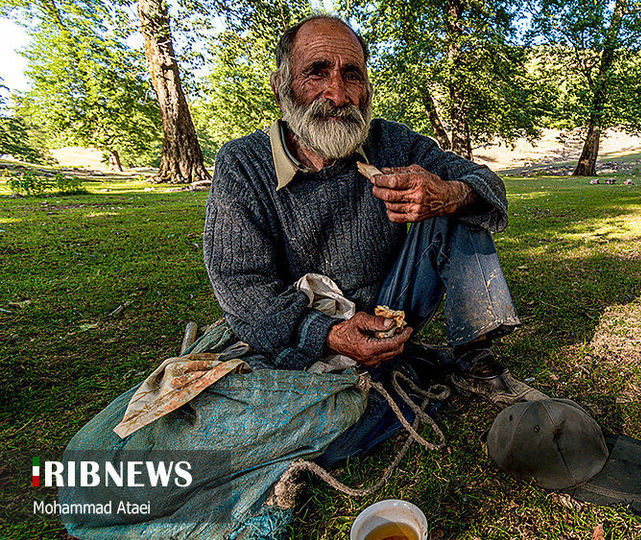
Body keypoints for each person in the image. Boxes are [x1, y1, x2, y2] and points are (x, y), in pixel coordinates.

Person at [57, 15, 544, 540]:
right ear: (283, 85)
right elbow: (241, 289)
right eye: (318, 71)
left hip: (386, 306)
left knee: (459, 203)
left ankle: (473, 363)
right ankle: (390, 387)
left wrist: (449, 193)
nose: (338, 93)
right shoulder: (243, 164)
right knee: (110, 470)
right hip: (288, 337)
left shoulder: (393, 144)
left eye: (352, 74)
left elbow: (485, 182)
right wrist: (328, 333)